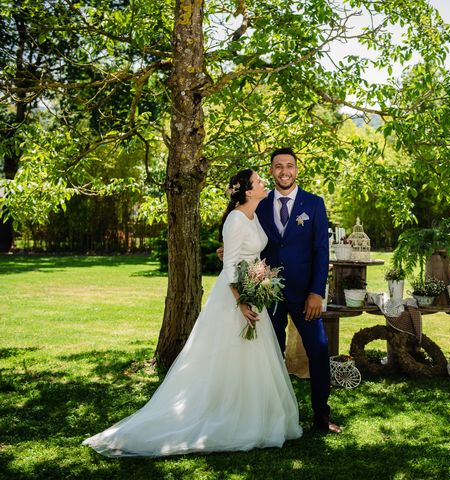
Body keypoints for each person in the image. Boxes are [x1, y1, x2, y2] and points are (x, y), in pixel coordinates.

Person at [82, 169, 303, 457]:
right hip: (234, 298)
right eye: (260, 181)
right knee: (229, 354)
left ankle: (251, 411)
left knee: (251, 356)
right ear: (248, 191)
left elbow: (250, 256)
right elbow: (231, 265)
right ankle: (221, 414)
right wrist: (241, 301)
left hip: (251, 292)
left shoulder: (254, 215)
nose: (264, 184)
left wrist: (259, 281)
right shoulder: (236, 219)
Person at [256, 147, 340, 434]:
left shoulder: (314, 204)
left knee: (318, 350)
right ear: (271, 171)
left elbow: (321, 251)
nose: (284, 171)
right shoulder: (260, 205)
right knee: (270, 355)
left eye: (289, 166)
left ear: (297, 169)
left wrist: (317, 292)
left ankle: (321, 416)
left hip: (306, 296)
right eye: (278, 166)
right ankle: (272, 416)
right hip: (270, 295)